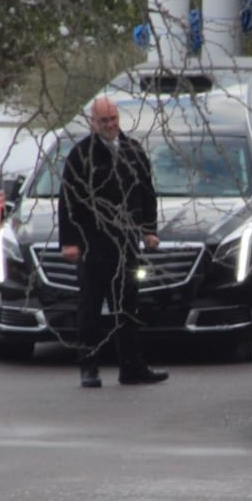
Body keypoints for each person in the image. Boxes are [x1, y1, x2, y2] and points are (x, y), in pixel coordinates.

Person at [59, 95, 168, 389]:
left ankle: (131, 367)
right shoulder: (82, 156)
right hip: (93, 244)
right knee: (90, 308)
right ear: (92, 123)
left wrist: (149, 230)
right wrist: (69, 242)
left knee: (127, 308)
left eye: (113, 120)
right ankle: (89, 367)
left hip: (126, 244)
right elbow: (67, 201)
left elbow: (146, 193)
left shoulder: (133, 151)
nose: (110, 126)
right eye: (104, 121)